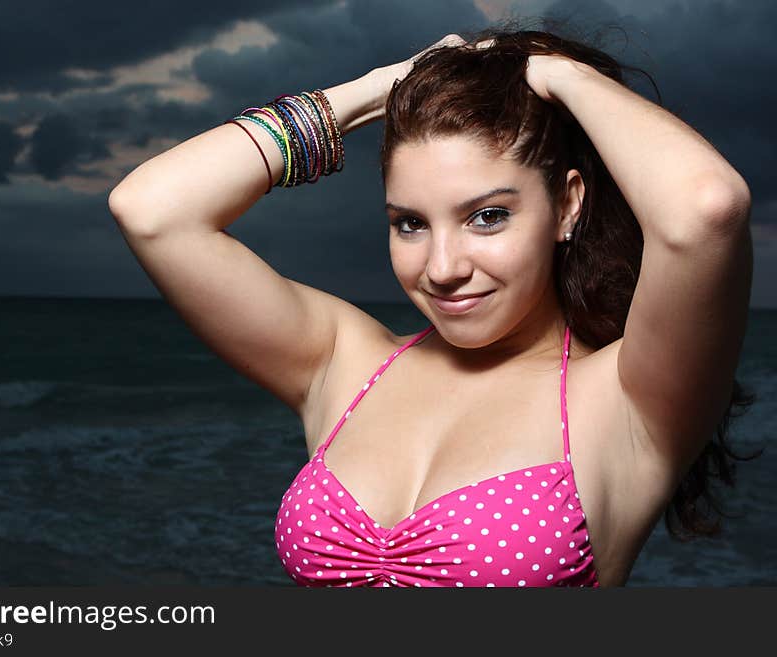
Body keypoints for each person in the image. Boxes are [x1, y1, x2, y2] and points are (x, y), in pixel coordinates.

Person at [107, 23, 757, 587]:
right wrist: (381, 86)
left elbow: (707, 207)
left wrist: (557, 76)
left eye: (488, 216)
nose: (443, 268)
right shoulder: (343, 363)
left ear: (567, 205)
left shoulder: (628, 397)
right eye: (411, 223)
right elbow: (153, 210)